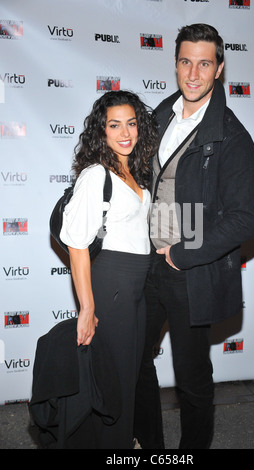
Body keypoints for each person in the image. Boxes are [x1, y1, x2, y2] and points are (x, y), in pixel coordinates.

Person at [134, 24, 254, 449]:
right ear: (175, 64)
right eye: (186, 61)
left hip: (188, 271)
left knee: (191, 378)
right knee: (132, 359)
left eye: (204, 63)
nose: (193, 73)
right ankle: (148, 448)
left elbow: (244, 220)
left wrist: (184, 254)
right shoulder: (159, 116)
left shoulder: (232, 136)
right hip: (144, 263)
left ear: (219, 69)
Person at [31, 90, 158, 449]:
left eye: (131, 123)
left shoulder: (135, 174)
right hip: (110, 288)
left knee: (126, 381)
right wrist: (87, 308)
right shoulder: (96, 176)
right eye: (114, 125)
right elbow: (77, 245)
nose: (125, 132)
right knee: (110, 386)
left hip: (136, 290)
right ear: (100, 132)